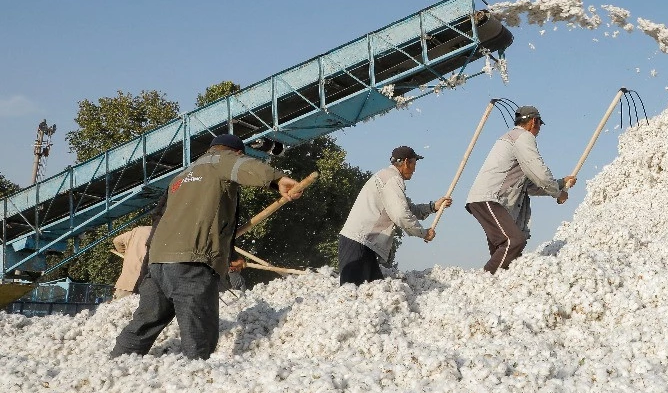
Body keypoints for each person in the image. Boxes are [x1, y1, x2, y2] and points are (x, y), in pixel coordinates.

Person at [111, 134, 303, 360]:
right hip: (191, 264)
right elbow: (244, 167)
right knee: (199, 334)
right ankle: (197, 379)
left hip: (159, 262)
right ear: (236, 152)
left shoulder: (180, 178)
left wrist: (227, 254)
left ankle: (115, 364)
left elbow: (165, 218)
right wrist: (277, 180)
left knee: (145, 322)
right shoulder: (220, 161)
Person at [465, 105, 576, 273]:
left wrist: (560, 183)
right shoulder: (523, 137)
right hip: (489, 199)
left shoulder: (511, 138)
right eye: (539, 125)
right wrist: (558, 193)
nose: (538, 130)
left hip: (487, 200)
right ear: (533, 122)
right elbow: (539, 171)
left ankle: (494, 291)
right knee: (514, 241)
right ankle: (481, 282)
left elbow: (530, 186)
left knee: (505, 255)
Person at [338, 146, 451, 284]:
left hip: (364, 243)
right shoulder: (393, 179)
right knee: (353, 293)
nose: (414, 169)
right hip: (358, 243)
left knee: (372, 293)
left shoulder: (388, 177)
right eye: (414, 164)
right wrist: (423, 233)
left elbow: (408, 208)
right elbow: (401, 214)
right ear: (405, 162)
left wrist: (433, 207)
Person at [111, 224, 152, 300]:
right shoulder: (159, 232)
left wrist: (126, 254)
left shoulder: (136, 231)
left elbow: (116, 240)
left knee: (117, 310)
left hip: (126, 283)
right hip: (147, 283)